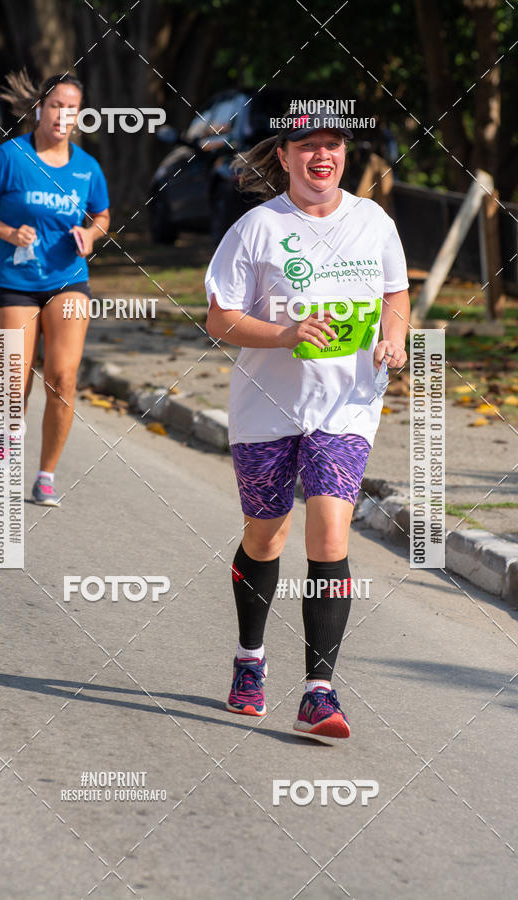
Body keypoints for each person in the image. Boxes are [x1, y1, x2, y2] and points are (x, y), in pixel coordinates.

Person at [204, 111, 410, 740]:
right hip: (267, 407)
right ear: (286, 155)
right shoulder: (257, 229)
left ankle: (319, 692)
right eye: (309, 146)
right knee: (265, 538)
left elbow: (395, 296)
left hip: (345, 405)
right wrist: (287, 334)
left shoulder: (372, 221)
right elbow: (220, 320)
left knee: (329, 534)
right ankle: (249, 659)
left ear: (345, 153)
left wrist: (395, 339)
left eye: (334, 145)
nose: (323, 156)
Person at [0, 70, 110, 506]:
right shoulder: (10, 156)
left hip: (69, 280)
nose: (64, 115)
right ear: (39, 109)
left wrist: (91, 235)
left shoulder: (87, 168)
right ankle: (8, 439)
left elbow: (101, 215)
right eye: (56, 105)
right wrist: (8, 233)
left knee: (63, 377)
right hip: (16, 282)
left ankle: (46, 474)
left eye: (72, 109)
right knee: (14, 377)